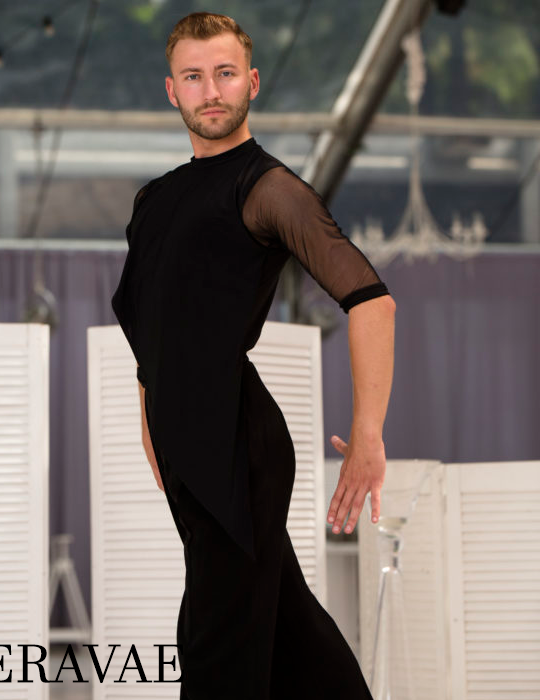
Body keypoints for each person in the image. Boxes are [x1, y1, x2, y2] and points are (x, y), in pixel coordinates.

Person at [111, 11, 395, 700]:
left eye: (226, 73)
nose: (211, 91)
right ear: (171, 90)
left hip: (237, 441)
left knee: (216, 646)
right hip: (187, 443)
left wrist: (367, 436)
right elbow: (150, 327)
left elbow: (372, 301)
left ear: (252, 82)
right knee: (289, 634)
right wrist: (151, 420)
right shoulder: (154, 200)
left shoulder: (267, 187)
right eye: (194, 76)